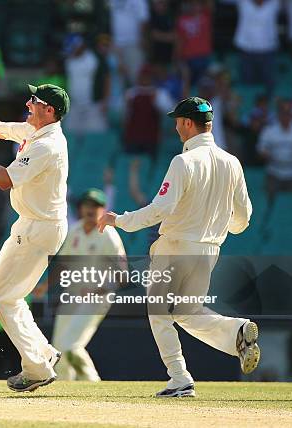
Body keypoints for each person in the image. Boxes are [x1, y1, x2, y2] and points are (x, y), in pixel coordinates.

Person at [97, 97, 260, 397]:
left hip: (175, 247)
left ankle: (179, 378)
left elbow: (161, 209)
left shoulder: (183, 161)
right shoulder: (232, 162)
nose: (175, 128)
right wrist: (218, 227)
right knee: (187, 312)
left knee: (158, 313)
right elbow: (244, 218)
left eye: (177, 122)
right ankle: (237, 330)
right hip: (209, 250)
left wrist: (120, 220)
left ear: (187, 123)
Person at [0, 83, 70, 392]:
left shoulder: (46, 145)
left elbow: (5, 180)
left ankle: (37, 368)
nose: (27, 103)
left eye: (34, 101)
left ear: (48, 110)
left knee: (5, 299)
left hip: (40, 227)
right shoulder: (34, 131)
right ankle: (43, 352)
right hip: (30, 225)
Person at [51, 189, 126, 382]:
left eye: (95, 206)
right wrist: (46, 285)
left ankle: (92, 382)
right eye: (86, 205)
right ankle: (63, 386)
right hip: (72, 295)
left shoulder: (109, 235)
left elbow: (122, 274)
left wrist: (100, 289)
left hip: (97, 298)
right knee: (58, 349)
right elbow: (63, 262)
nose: (90, 209)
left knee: (71, 346)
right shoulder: (75, 229)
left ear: (104, 209)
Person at [232, 0, 281, 92]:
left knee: (269, 84)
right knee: (247, 84)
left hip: (268, 50)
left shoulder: (274, 3)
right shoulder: (244, 3)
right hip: (246, 50)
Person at [257, 98, 292, 201]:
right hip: (274, 172)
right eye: (283, 113)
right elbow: (261, 148)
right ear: (279, 114)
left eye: (288, 113)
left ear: (291, 115)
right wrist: (265, 153)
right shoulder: (269, 130)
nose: (286, 116)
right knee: (269, 203)